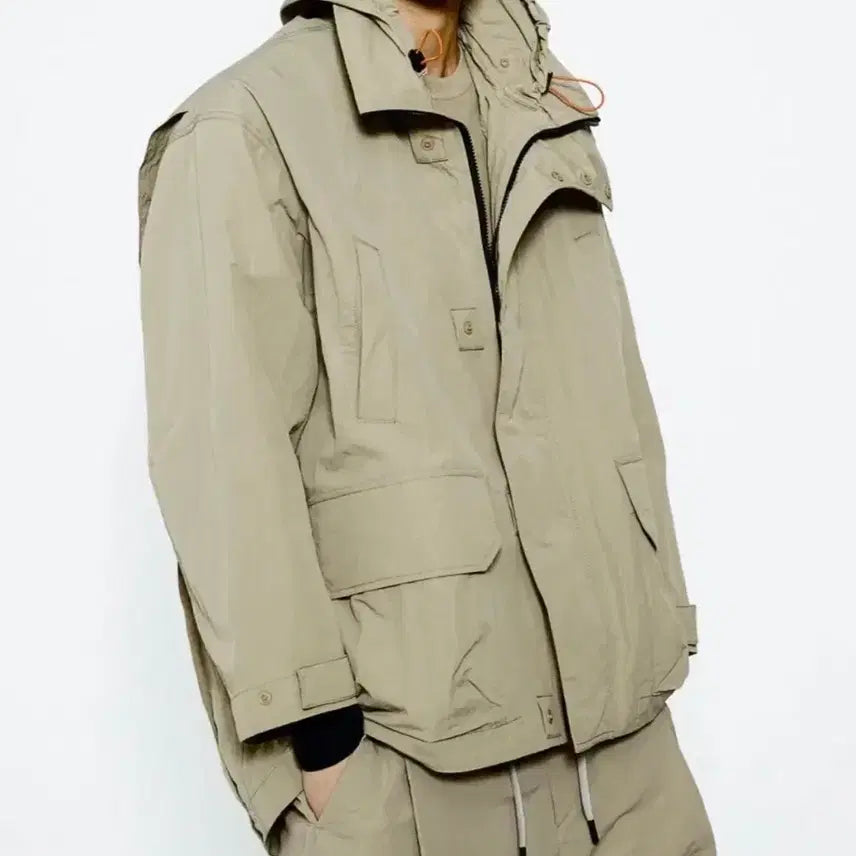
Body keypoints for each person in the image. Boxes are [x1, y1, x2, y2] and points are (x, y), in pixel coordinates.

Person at [137, 1, 716, 853]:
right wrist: (322, 745)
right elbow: (221, 454)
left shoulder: (535, 98)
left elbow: (607, 382)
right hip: (412, 766)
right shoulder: (244, 124)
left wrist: (650, 619)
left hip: (629, 746)